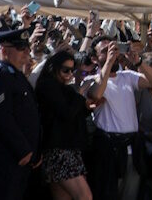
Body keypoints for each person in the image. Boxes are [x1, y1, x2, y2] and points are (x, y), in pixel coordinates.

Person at [83, 39, 152, 200]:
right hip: (107, 149)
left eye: (114, 49)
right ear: (94, 58)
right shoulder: (89, 80)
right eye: (105, 51)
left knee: (130, 194)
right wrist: (109, 61)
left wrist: (138, 61)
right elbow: (97, 94)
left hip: (131, 148)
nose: (111, 53)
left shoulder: (127, 76)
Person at [0, 28, 43, 200]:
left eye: (27, 47)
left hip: (24, 161)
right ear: (4, 50)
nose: (26, 51)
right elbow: (1, 117)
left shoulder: (17, 76)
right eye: (21, 48)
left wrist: (35, 152)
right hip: (8, 159)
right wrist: (23, 151)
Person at [35, 49, 92, 200]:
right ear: (53, 68)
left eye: (72, 70)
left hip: (69, 148)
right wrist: (79, 94)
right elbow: (66, 113)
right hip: (58, 151)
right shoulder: (47, 86)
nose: (69, 74)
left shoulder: (65, 88)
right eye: (65, 70)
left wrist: (86, 105)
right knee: (84, 196)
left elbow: (76, 113)